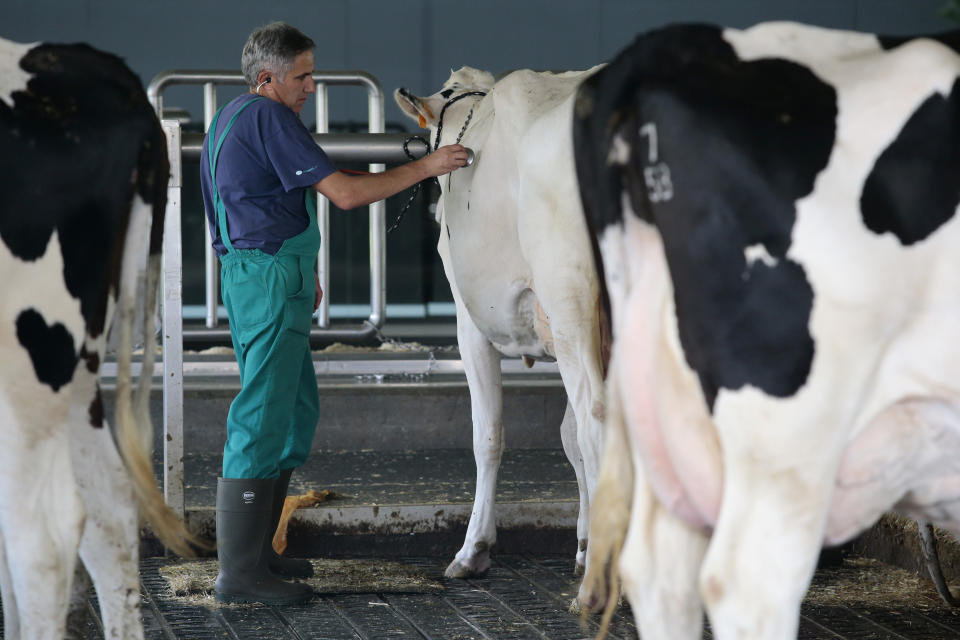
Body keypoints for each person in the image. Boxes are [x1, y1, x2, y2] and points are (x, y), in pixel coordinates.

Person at [200, 21, 467, 606]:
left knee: (293, 411)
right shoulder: (270, 117)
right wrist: (428, 167)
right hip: (269, 277)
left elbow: (253, 203)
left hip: (266, 273)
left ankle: (259, 554)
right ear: (267, 79)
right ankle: (238, 577)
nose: (312, 86)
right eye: (303, 76)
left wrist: (303, 268)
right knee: (263, 414)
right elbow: (344, 194)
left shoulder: (231, 117)